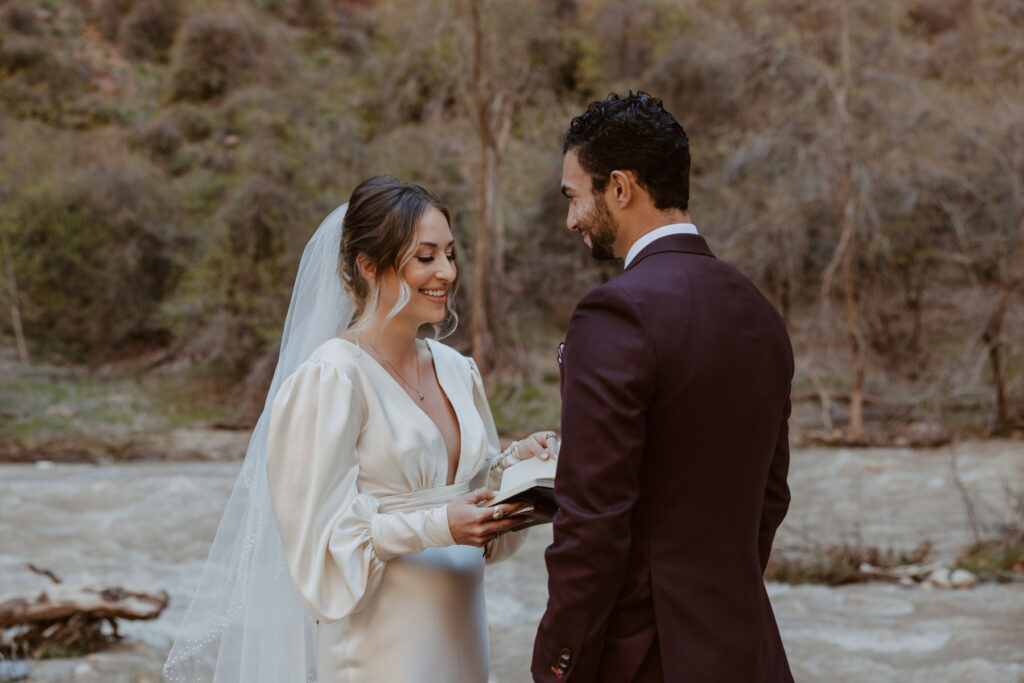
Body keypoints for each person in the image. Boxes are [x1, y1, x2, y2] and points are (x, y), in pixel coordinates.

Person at [164, 176, 556, 682]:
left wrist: (518, 465)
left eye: (450, 255)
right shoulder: (332, 378)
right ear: (369, 266)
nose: (446, 272)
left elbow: (471, 498)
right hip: (377, 651)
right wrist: (438, 526)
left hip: (462, 641)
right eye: (426, 256)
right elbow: (322, 545)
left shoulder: (458, 370)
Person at [531, 92, 794, 682]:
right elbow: (769, 498)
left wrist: (557, 663)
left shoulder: (614, 312)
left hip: (647, 659)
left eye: (575, 197)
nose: (571, 220)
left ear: (620, 188)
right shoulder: (758, 309)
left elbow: (592, 520)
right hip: (747, 650)